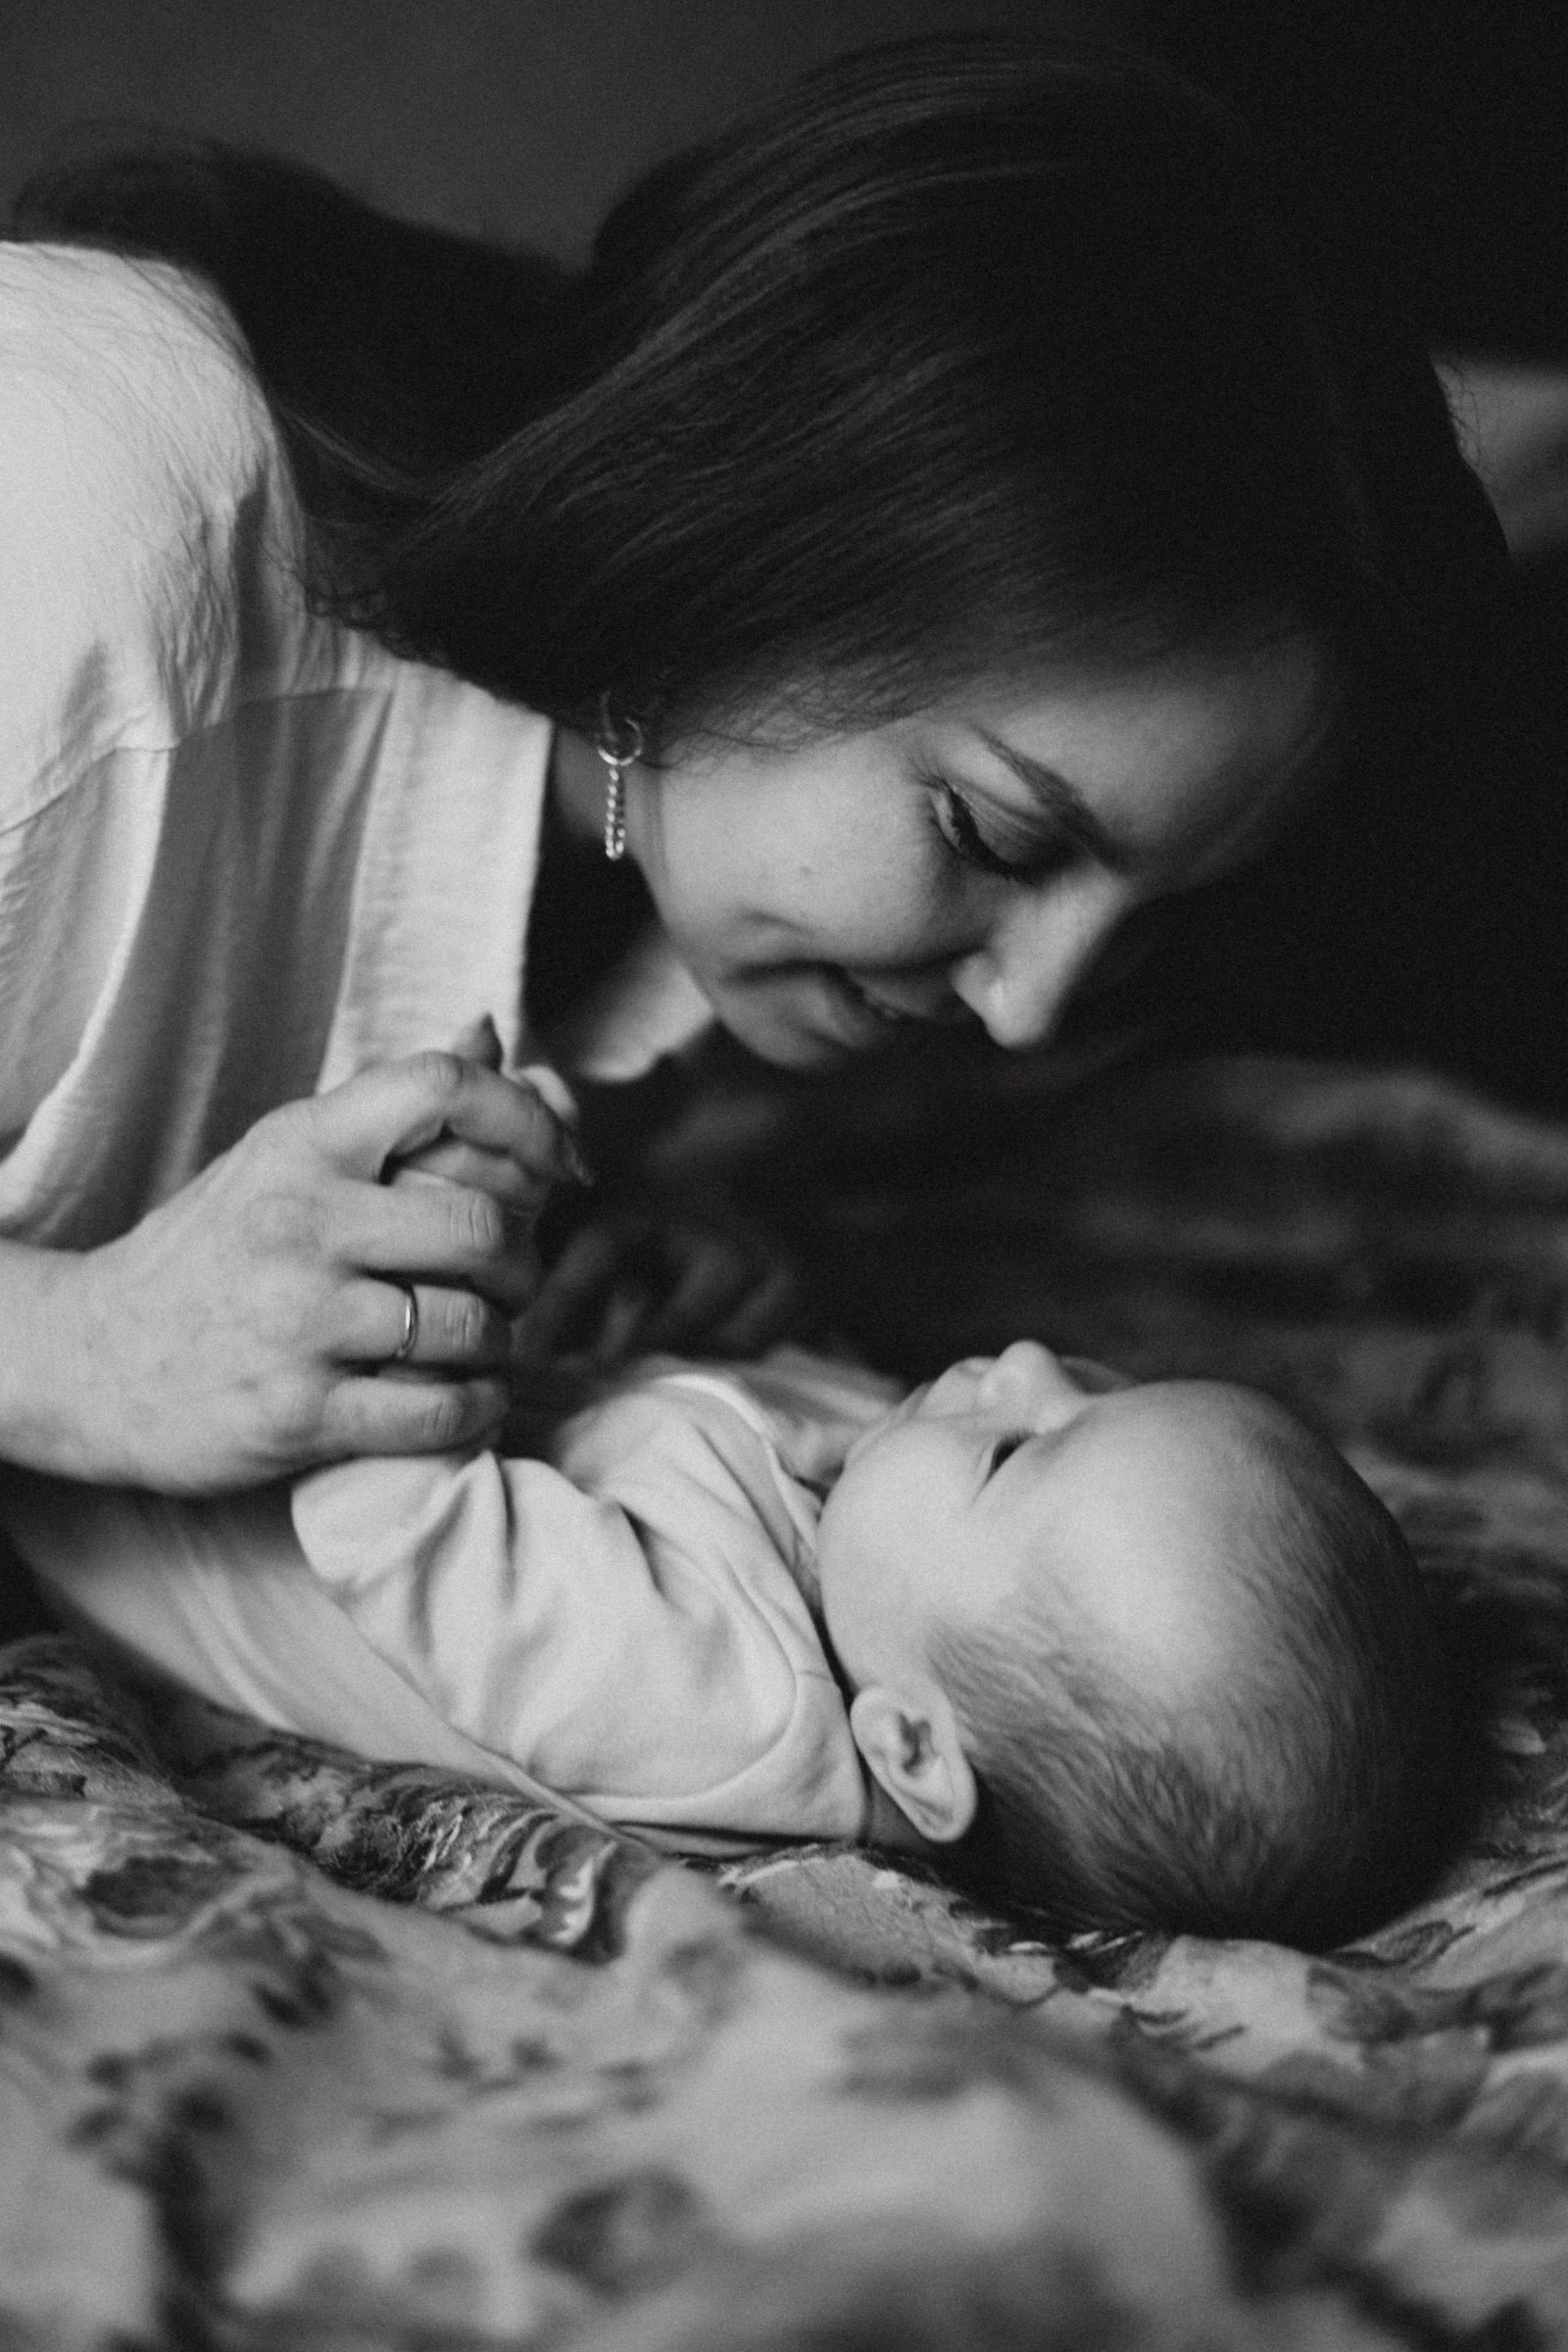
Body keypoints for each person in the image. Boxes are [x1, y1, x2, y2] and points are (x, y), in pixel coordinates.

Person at [0, 36, 1513, 1509]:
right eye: (989, 836)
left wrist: (546, 1244)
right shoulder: (80, 539)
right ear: (740, 542)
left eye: (1149, 920)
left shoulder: (669, 847)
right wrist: (87, 1350)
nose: (1023, 1012)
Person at [3, 1337, 1452, 1947]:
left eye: (1018, 1451)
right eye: (1094, 1382)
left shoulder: (723, 1702)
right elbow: (710, 1416)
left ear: (907, 1750)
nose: (1020, 1365)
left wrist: (432, 1269)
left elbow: (396, 1521)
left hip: (134, 1484)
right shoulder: (892, 1560)